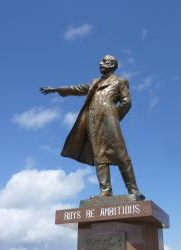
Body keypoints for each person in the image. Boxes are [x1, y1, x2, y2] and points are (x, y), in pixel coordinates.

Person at [40, 55, 145, 200]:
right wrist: (56, 89)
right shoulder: (94, 82)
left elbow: (126, 102)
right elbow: (76, 89)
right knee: (99, 155)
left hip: (109, 119)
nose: (100, 63)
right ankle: (105, 192)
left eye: (105, 62)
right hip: (93, 120)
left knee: (121, 154)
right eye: (101, 61)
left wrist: (113, 116)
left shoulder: (120, 81)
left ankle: (133, 190)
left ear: (113, 65)